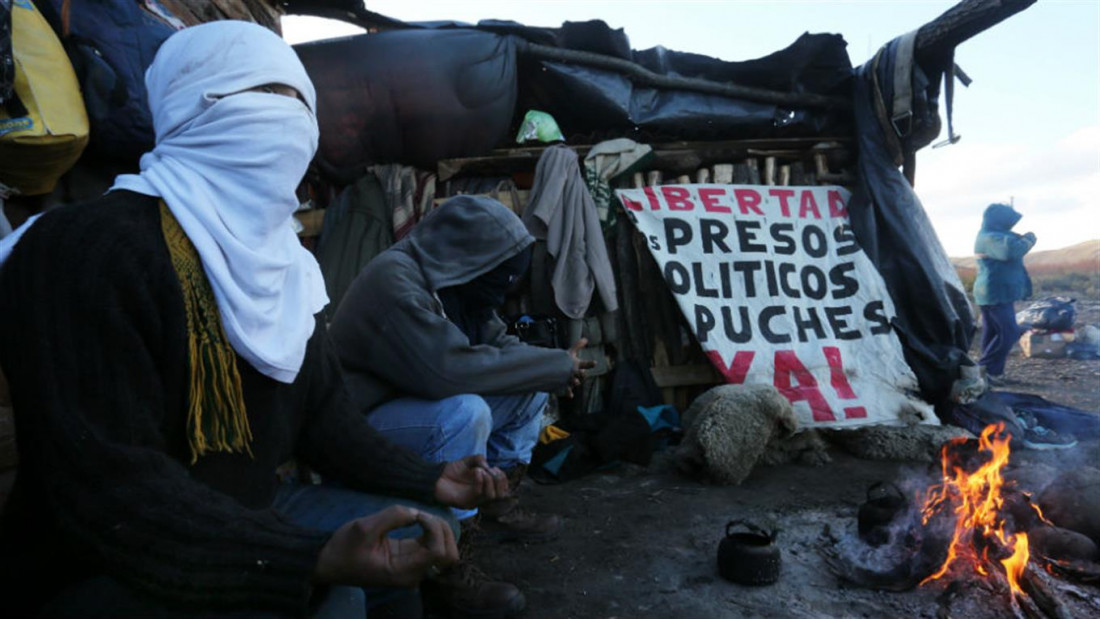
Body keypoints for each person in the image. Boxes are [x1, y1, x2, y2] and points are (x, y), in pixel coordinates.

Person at [0, 21, 514, 619]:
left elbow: (325, 420)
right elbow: (108, 489)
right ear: (186, 108)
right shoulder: (84, 251)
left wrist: (431, 479)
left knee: (415, 534)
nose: (286, 119)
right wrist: (303, 558)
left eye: (298, 101)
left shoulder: (286, 265)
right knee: (339, 592)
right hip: (101, 558)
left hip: (248, 515)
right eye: (260, 96)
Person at [327, 196, 595, 593]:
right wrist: (553, 365)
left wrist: (552, 368)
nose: (504, 291)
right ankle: (445, 562)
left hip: (406, 408)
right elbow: (448, 372)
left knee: (528, 387)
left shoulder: (454, 284)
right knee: (464, 413)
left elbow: (497, 343)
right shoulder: (396, 282)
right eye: (502, 278)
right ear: (475, 259)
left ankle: (494, 506)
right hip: (357, 427)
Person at [973, 202, 1036, 385]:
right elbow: (1011, 251)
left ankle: (990, 374)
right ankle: (984, 371)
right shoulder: (991, 238)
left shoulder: (991, 236)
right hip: (996, 292)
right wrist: (1029, 239)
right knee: (1008, 332)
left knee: (993, 332)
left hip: (993, 292)